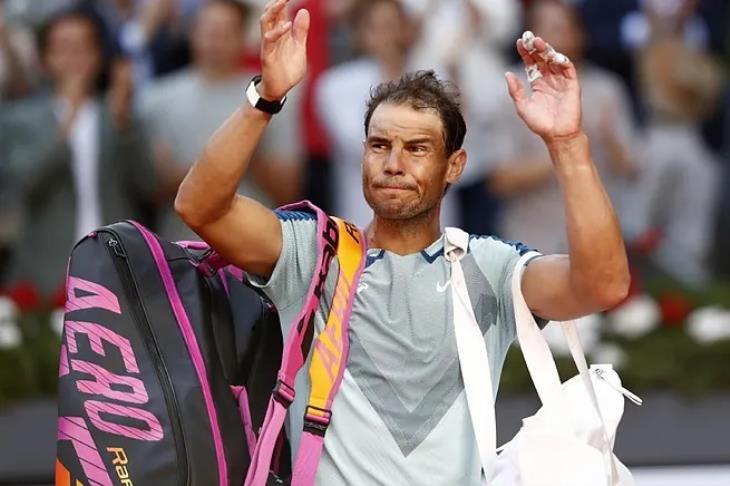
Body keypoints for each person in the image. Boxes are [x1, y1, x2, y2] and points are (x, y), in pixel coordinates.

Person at [174, 0, 630, 483]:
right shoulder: (315, 253)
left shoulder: (488, 266)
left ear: (454, 166)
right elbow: (201, 207)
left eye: (417, 149)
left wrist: (567, 144)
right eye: (379, 145)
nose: (393, 163)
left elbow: (602, 285)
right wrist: (266, 97)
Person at [0, 7, 155, 297]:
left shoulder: (116, 114)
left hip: (115, 266)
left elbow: (148, 185)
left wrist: (124, 123)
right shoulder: (19, 118)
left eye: (84, 47)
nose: (74, 58)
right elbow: (23, 187)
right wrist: (68, 119)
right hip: (45, 271)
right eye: (64, 48)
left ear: (98, 56)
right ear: (45, 59)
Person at [139, 0, 302, 240]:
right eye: (210, 31)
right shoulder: (155, 100)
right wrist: (232, 160)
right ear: (192, 32)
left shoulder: (271, 93)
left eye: (227, 32)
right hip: (179, 248)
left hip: (253, 247)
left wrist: (239, 154)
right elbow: (142, 190)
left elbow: (290, 190)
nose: (217, 41)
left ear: (242, 37)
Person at [488, 0, 639, 255]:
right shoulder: (511, 88)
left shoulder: (607, 90)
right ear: (529, 37)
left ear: (581, 33)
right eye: (550, 28)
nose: (561, 36)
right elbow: (499, 179)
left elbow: (632, 168)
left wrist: (607, 140)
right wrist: (564, 148)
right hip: (530, 242)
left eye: (568, 27)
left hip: (597, 240)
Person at [315, 0, 458, 228]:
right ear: (359, 33)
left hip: (430, 222)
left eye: (391, 25)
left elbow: (450, 140)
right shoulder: (335, 84)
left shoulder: (436, 77)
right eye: (375, 27)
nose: (385, 35)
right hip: (363, 220)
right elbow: (358, 144)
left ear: (406, 28)